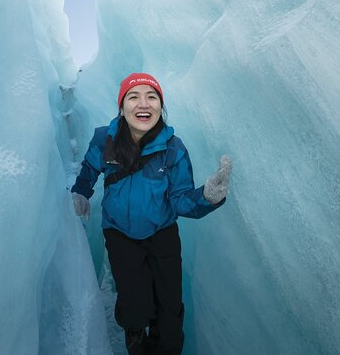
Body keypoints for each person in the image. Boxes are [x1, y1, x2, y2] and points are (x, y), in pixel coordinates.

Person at [70, 73, 232, 355]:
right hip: (119, 233)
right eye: (133, 97)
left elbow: (181, 201)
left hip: (162, 234)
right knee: (135, 307)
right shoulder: (104, 140)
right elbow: (88, 169)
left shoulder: (173, 149)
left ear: (160, 105)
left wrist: (207, 197)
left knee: (169, 310)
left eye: (151, 97)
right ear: (122, 107)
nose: (143, 104)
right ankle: (135, 337)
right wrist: (81, 191)